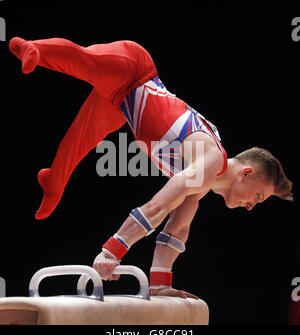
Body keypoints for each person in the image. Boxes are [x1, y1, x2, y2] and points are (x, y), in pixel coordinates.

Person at [9, 37, 293, 299]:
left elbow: (175, 232)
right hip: (134, 71)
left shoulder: (202, 184)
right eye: (258, 196)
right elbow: (158, 205)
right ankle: (33, 49)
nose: (252, 206)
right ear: (247, 173)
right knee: (86, 61)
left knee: (78, 139)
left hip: (121, 104)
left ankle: (53, 181)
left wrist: (160, 284)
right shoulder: (212, 160)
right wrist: (113, 250)